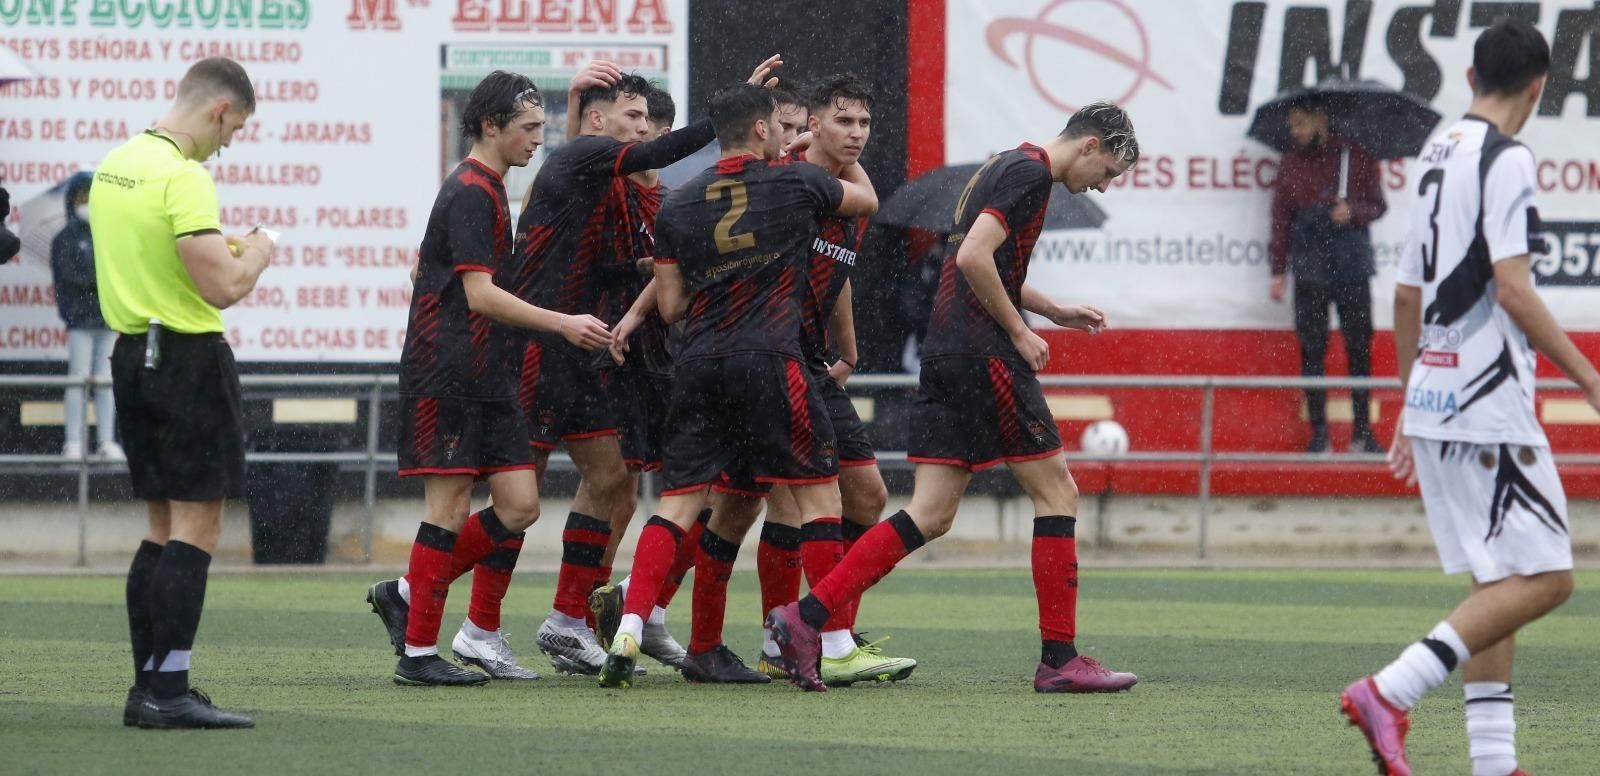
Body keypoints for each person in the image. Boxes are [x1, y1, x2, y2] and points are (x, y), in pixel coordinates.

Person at [766, 102, 1140, 693]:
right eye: (1111, 171)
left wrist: (1052, 310)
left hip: (946, 353)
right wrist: (1019, 330)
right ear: (1091, 145)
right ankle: (1059, 659)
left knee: (932, 512)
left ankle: (804, 619)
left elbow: (980, 257)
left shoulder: (1005, 163)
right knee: (1058, 492)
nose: (1105, 184)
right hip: (984, 353)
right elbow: (971, 257)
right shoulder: (1031, 174)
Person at [1340, 20, 1594, 776]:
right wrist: (1589, 376)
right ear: (1540, 86)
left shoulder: (1436, 151)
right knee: (1550, 577)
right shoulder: (1508, 158)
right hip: (1488, 398)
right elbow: (1512, 288)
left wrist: (1409, 399)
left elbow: (1409, 295)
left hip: (1438, 393)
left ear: (1471, 77)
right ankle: (1391, 689)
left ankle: (1493, 763)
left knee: (1502, 580)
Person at [595, 82, 879, 689]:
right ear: (761, 130)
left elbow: (671, 306)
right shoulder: (794, 182)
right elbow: (864, 204)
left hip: (697, 363)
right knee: (819, 498)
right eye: (782, 127)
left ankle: (633, 623)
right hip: (772, 359)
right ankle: (830, 641)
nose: (788, 133)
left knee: (681, 505)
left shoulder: (679, 204)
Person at [514, 60, 774, 676]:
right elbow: (618, 257)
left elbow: (643, 267)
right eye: (635, 121)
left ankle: (611, 612)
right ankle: (464, 613)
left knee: (626, 489)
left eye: (651, 124)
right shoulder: (600, 174)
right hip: (572, 348)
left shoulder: (666, 195)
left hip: (632, 356)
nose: (644, 136)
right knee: (522, 496)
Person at [363, 71, 612, 687]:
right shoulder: (472, 190)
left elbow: (439, 269)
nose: (539, 138)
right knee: (446, 510)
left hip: (488, 373)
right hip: (447, 374)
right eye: (529, 128)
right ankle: (419, 653)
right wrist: (562, 324)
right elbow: (479, 295)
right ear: (491, 127)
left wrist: (578, 100)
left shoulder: (492, 187)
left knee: (520, 505)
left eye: (543, 126)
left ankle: (406, 592)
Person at [91, 57, 273, 729]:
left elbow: (158, 255)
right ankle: (166, 692)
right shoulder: (184, 175)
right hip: (187, 358)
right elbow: (222, 286)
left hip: (132, 353)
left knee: (161, 527)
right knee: (197, 524)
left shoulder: (117, 165)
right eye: (238, 128)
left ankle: (151, 685)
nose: (231, 143)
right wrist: (258, 248)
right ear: (219, 111)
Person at [1268, 97, 1387, 453]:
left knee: (1359, 346)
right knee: (1312, 349)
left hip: (1351, 261)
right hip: (1310, 262)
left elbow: (1379, 204)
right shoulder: (1290, 163)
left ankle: (1362, 432)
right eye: (1292, 126)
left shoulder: (1357, 157)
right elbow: (1280, 219)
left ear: (1321, 120)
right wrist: (1278, 270)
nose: (1296, 132)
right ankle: (1319, 432)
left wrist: (1353, 211)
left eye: (1301, 124)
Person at [50, 171, 124, 461]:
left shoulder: (108, 235)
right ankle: (74, 442)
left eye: (91, 197)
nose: (86, 203)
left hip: (106, 320)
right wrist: (96, 281)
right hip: (79, 321)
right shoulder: (64, 238)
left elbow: (117, 273)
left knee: (105, 381)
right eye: (81, 197)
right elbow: (67, 277)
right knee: (77, 380)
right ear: (72, 201)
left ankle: (107, 441)